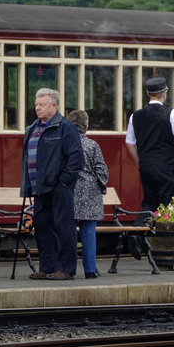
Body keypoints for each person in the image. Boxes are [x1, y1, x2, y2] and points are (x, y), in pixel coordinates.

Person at [21, 88, 83, 280]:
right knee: (42, 227)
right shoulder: (32, 128)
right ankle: (47, 267)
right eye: (36, 104)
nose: (37, 108)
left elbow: (76, 158)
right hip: (38, 187)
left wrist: (64, 181)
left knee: (63, 227)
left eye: (42, 105)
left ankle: (65, 269)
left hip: (58, 187)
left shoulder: (65, 127)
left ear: (54, 106)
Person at [125, 76, 174, 212]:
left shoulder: (135, 116)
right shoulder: (171, 113)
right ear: (165, 93)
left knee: (150, 202)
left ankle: (142, 229)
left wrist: (140, 162)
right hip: (167, 167)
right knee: (170, 205)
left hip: (146, 167)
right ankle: (165, 232)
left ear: (148, 94)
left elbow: (130, 143)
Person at [68, 109, 108, 279]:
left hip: (68, 193)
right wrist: (101, 186)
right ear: (87, 126)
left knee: (67, 232)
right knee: (88, 232)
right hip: (90, 194)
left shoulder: (65, 144)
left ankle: (67, 269)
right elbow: (102, 172)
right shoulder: (92, 145)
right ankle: (90, 270)